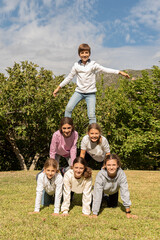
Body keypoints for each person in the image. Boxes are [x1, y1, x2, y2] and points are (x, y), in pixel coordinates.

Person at [53, 43, 130, 124]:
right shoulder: (76, 66)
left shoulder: (93, 64)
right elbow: (69, 77)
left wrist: (119, 72)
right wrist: (58, 88)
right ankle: (66, 128)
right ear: (79, 54)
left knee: (91, 115)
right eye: (82, 53)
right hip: (79, 92)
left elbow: (105, 69)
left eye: (86, 52)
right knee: (68, 108)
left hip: (90, 94)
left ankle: (93, 134)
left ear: (89, 54)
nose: (84, 55)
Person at [91, 154, 138, 219]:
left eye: (114, 165)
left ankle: (105, 198)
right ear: (105, 165)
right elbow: (97, 194)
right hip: (101, 191)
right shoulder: (100, 175)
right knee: (94, 204)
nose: (111, 167)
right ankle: (102, 197)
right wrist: (95, 213)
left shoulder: (121, 174)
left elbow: (125, 192)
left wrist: (128, 212)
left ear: (118, 165)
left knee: (113, 206)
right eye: (109, 165)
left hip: (114, 191)